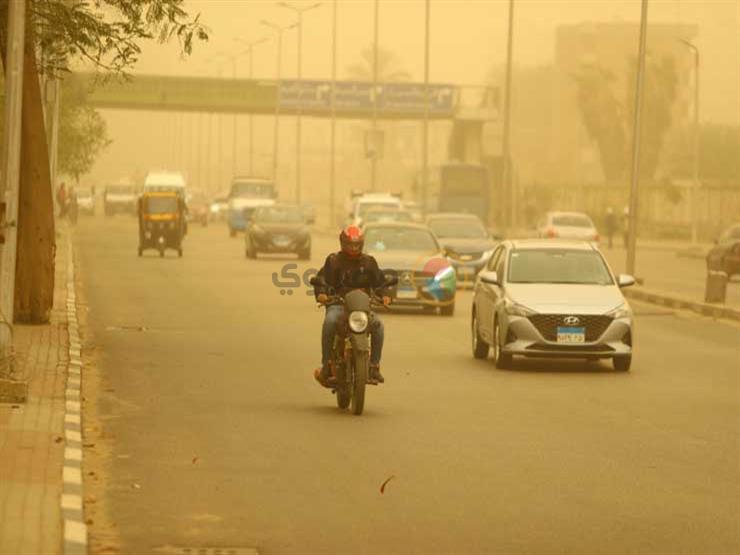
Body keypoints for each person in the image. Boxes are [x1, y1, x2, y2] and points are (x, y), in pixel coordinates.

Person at [313, 225, 391, 385]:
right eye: (350, 244)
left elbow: (380, 282)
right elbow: (321, 279)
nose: (354, 248)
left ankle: (374, 366)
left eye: (357, 244)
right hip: (338, 305)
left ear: (361, 244)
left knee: (379, 326)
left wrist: (385, 295)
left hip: (362, 308)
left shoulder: (369, 262)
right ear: (343, 243)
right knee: (329, 322)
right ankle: (327, 364)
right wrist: (321, 293)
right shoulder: (333, 261)